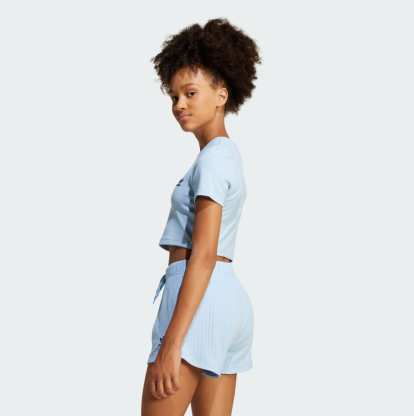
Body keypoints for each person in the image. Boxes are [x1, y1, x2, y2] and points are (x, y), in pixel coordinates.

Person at [141, 18, 262, 415]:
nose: (179, 104)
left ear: (222, 94)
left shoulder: (212, 160)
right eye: (174, 96)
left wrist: (172, 344)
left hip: (197, 297)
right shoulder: (226, 155)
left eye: (191, 93)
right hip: (227, 303)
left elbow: (204, 254)